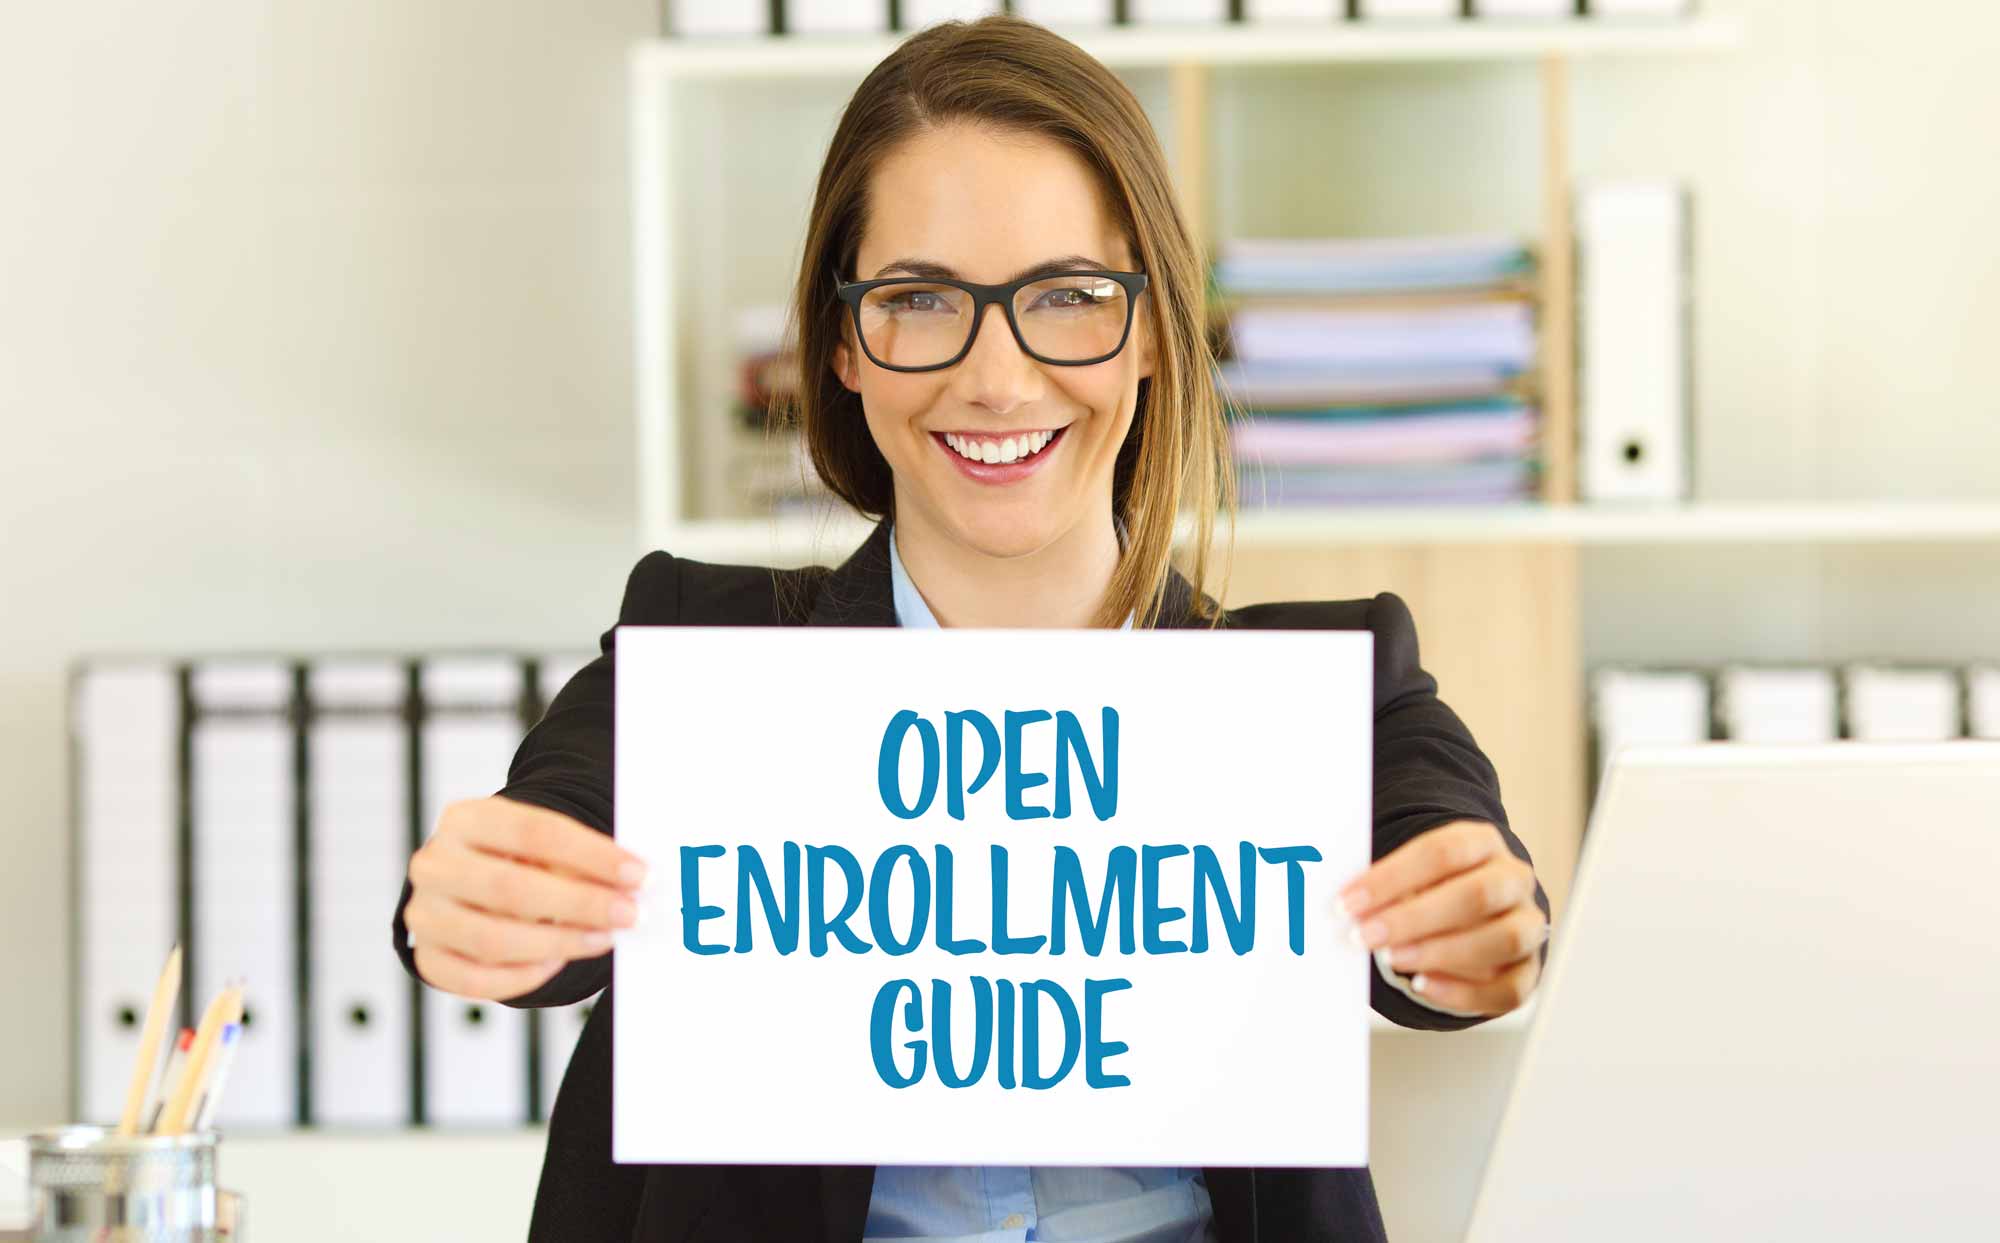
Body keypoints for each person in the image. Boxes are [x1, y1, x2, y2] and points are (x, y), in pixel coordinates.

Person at [392, 14, 1549, 1242]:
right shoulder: (700, 657)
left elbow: (1449, 876)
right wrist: (483, 906)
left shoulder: (1327, 688)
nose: (996, 380)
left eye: (1065, 296)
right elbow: (561, 829)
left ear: (1153, 327)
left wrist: (1466, 933)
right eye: (921, 299)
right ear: (842, 342)